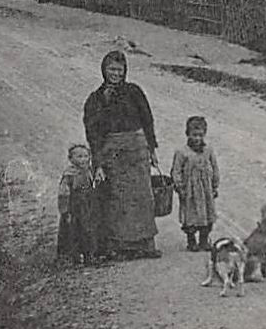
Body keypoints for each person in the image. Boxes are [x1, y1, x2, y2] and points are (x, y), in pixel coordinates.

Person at [83, 50, 161, 259]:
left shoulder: (134, 92)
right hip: (113, 154)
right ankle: (121, 247)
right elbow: (93, 133)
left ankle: (146, 245)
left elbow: (147, 120)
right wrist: (97, 163)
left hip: (137, 150)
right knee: (117, 199)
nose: (115, 74)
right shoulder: (96, 99)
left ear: (125, 70)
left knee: (143, 197)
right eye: (111, 69)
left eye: (119, 69)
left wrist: (151, 149)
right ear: (103, 70)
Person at [171, 115, 220, 251]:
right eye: (194, 135)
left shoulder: (208, 150)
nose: (197, 138)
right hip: (190, 191)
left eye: (200, 135)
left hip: (205, 190)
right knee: (190, 215)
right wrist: (180, 187)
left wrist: (215, 185)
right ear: (187, 134)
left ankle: (204, 240)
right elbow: (176, 171)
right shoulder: (182, 152)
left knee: (207, 214)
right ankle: (191, 241)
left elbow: (214, 167)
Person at [56, 143, 106, 266]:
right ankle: (73, 258)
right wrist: (65, 211)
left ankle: (90, 255)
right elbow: (64, 193)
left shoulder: (88, 171)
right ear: (71, 159)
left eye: (86, 156)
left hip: (87, 206)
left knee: (89, 230)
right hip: (75, 208)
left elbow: (90, 184)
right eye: (79, 157)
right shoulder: (70, 174)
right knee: (73, 232)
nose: (83, 159)